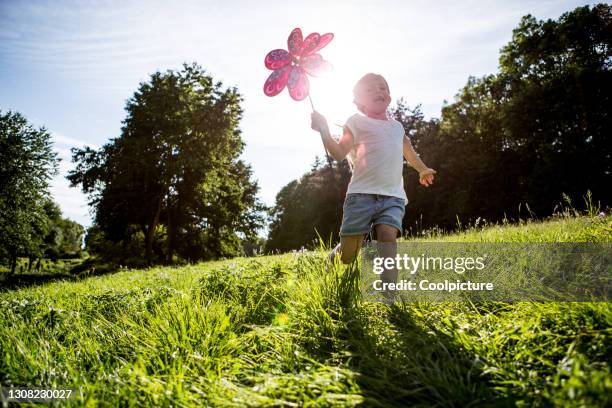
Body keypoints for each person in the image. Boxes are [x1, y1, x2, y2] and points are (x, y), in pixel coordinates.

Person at [310, 73, 435, 288]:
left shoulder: (397, 128)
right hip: (361, 196)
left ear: (389, 95)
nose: (379, 91)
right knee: (348, 255)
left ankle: (389, 295)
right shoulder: (356, 122)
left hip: (393, 197)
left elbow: (409, 153)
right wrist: (324, 131)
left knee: (388, 239)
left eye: (383, 87)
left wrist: (422, 169)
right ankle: (331, 262)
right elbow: (339, 153)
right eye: (370, 90)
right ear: (358, 101)